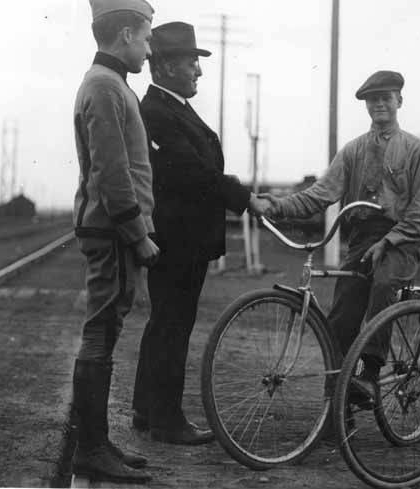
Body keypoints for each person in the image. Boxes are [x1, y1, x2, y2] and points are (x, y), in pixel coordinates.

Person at [130, 21, 270, 445]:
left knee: (166, 321)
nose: (199, 72)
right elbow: (194, 172)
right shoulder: (157, 111)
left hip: (181, 238)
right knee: (173, 324)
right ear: (167, 66)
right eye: (193, 62)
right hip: (176, 239)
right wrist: (246, 198)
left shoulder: (170, 107)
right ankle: (167, 420)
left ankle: (146, 408)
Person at [260, 70, 420, 399]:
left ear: (399, 101)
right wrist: (277, 207)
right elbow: (320, 193)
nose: (379, 104)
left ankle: (369, 373)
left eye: (386, 98)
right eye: (373, 100)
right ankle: (335, 407)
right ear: (366, 106)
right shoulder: (353, 151)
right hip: (361, 240)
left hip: (401, 240)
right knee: (341, 316)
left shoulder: (417, 150)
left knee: (383, 284)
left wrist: (390, 240)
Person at [71, 0, 158, 483]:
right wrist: (137, 233)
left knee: (107, 328)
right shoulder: (105, 86)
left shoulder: (110, 84)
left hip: (110, 225)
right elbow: (111, 170)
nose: (148, 49)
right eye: (145, 38)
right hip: (112, 227)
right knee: (101, 331)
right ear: (125, 34)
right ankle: (89, 448)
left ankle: (98, 443)